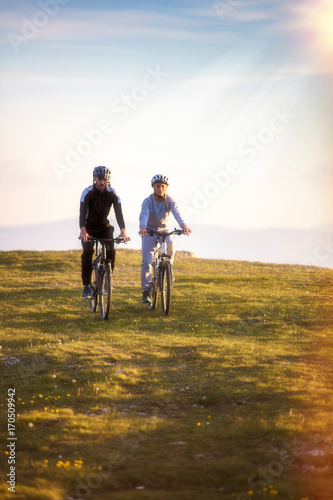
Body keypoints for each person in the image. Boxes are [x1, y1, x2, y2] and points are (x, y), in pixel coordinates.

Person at [139, 174, 191, 303]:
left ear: (166, 188)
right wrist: (143, 227)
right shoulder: (148, 201)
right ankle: (146, 291)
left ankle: (168, 268)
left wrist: (183, 225)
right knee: (147, 261)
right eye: (158, 186)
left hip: (165, 231)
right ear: (153, 187)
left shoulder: (170, 200)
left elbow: (177, 213)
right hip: (149, 231)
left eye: (163, 186)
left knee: (171, 249)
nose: (160, 189)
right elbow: (144, 214)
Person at [79, 166, 130, 298]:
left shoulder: (113, 193)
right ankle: (86, 286)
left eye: (105, 179)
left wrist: (123, 231)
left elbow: (119, 213)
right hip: (89, 228)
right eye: (100, 179)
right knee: (88, 252)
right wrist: (83, 230)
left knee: (111, 249)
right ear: (94, 179)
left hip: (104, 227)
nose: (102, 182)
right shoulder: (87, 192)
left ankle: (108, 276)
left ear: (108, 180)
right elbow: (82, 213)